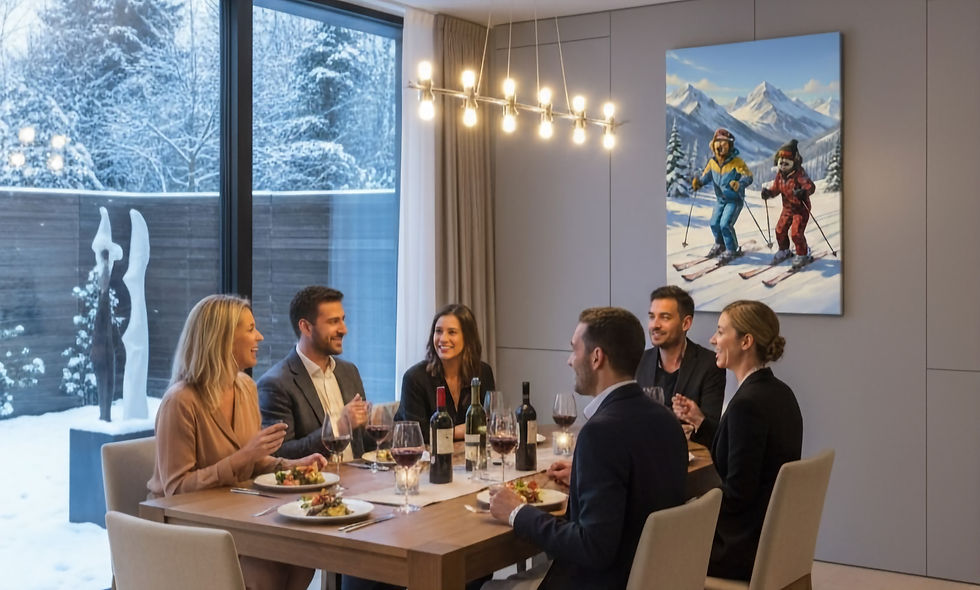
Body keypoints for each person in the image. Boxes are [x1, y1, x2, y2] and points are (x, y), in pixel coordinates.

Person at [486, 307, 688, 590]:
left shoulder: (600, 432)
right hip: (655, 577)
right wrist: (584, 477)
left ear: (596, 357)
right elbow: (640, 486)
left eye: (574, 349)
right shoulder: (666, 419)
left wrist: (516, 511)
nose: (569, 361)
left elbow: (592, 548)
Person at [148, 294, 327, 590]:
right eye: (250, 329)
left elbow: (254, 461)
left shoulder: (245, 387)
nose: (260, 336)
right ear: (222, 339)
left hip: (237, 518)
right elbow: (176, 489)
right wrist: (242, 457)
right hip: (187, 529)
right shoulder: (180, 402)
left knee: (302, 556)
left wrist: (295, 467)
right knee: (266, 570)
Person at [701, 300, 803, 581]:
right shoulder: (781, 392)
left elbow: (737, 495)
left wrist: (691, 509)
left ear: (746, 341)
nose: (712, 340)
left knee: (651, 545)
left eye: (720, 331)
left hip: (739, 548)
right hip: (767, 539)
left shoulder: (747, 405)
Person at [258, 286, 369, 461]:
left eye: (342, 320)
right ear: (306, 327)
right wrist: (338, 427)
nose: (343, 329)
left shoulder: (349, 372)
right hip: (314, 478)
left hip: (358, 476)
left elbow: (365, 442)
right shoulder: (275, 384)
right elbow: (279, 454)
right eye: (333, 322)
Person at [635, 285, 725, 444]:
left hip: (690, 455)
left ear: (686, 323)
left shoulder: (709, 364)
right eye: (652, 317)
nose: (655, 325)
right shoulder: (638, 362)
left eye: (664, 317)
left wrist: (697, 421)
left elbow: (713, 433)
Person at [395, 303, 495, 444]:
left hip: (470, 453)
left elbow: (490, 421)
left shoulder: (483, 372)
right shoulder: (414, 378)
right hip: (424, 456)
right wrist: (458, 431)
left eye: (452, 332)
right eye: (438, 331)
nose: (443, 339)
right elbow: (417, 434)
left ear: (468, 337)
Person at [692, 128, 754, 264]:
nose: (720, 146)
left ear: (730, 146)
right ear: (713, 144)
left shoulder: (737, 162)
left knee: (725, 224)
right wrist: (699, 183)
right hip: (720, 200)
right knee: (714, 223)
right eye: (718, 142)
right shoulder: (712, 162)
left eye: (724, 143)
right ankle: (720, 244)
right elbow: (707, 176)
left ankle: (731, 249)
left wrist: (739, 184)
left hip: (734, 199)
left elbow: (748, 176)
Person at [761, 139, 817, 269]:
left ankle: (803, 254)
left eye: (787, 162)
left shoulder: (799, 174)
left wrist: (803, 192)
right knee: (780, 230)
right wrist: (769, 193)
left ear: (794, 162)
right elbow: (776, 189)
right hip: (787, 208)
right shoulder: (780, 176)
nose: (783, 165)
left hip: (801, 209)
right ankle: (784, 250)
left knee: (796, 233)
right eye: (781, 162)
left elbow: (810, 186)